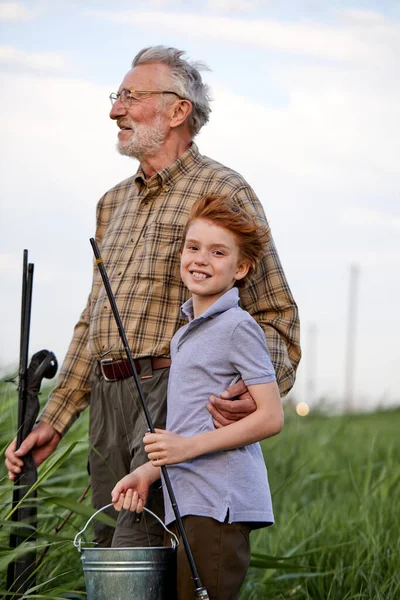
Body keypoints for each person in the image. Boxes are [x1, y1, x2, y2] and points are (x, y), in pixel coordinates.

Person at [5, 46, 300, 549]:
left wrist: (252, 389)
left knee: (142, 552)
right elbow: (93, 320)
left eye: (129, 97)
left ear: (178, 111)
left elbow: (276, 315)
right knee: (108, 555)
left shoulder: (223, 189)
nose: (114, 109)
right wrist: (55, 418)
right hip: (107, 405)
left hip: (172, 395)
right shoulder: (111, 202)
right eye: (116, 96)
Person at [112, 194, 283, 599]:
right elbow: (188, 425)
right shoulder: (186, 333)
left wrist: (187, 448)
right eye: (193, 248)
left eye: (217, 252)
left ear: (241, 268)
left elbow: (271, 418)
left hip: (217, 504)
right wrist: (149, 472)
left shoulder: (237, 326)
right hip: (187, 501)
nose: (200, 259)